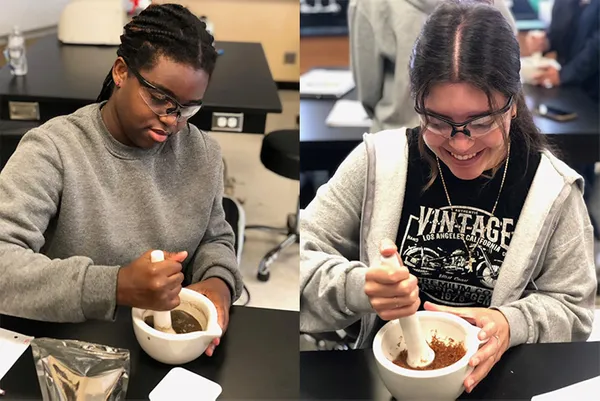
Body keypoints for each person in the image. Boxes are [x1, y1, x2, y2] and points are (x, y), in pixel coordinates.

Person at [301, 0, 596, 393]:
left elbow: (574, 310)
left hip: (501, 380)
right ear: (417, 103)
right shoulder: (379, 163)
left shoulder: (552, 189)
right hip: (388, 379)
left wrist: (512, 323)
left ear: (512, 104)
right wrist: (361, 287)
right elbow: (304, 257)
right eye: (438, 121)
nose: (460, 144)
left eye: (481, 121)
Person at [0, 3, 243, 357]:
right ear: (120, 72)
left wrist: (220, 279)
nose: (172, 121)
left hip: (165, 349)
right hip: (74, 350)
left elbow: (215, 236)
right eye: (160, 99)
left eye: (187, 108)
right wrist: (113, 286)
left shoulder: (202, 153)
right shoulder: (55, 149)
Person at [348, 0, 517, 133]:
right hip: (481, 140)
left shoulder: (368, 4)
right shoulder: (492, 6)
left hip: (395, 133)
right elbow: (512, 70)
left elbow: (368, 90)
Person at [527, 0, 599, 101]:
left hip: (594, 91)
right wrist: (545, 42)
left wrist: (564, 75)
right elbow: (558, 31)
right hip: (569, 89)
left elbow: (595, 49)